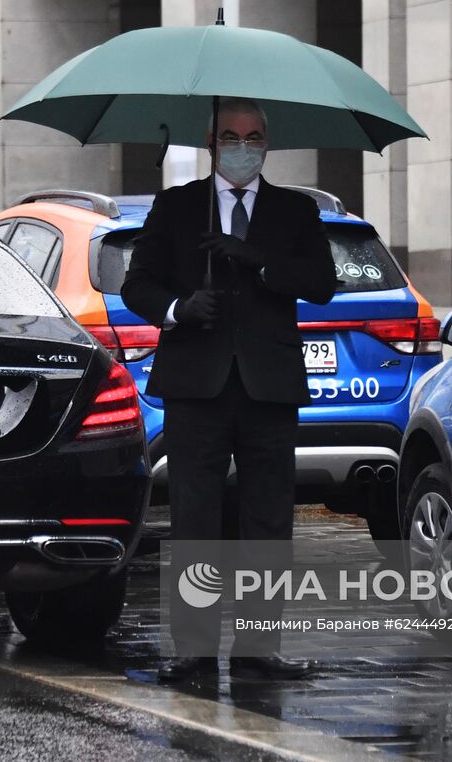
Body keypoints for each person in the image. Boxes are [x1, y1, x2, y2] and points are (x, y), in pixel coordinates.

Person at [122, 97, 336, 682]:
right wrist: (177, 308)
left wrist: (260, 261)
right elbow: (137, 282)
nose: (244, 147)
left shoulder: (294, 211)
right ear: (211, 143)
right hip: (197, 384)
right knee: (196, 517)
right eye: (231, 137)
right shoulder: (176, 207)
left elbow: (322, 284)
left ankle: (259, 648)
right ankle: (193, 648)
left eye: (254, 137)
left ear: (266, 143)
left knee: (268, 520)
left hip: (268, 387)